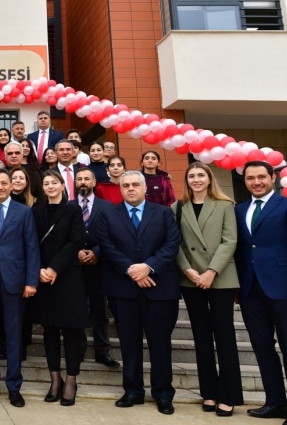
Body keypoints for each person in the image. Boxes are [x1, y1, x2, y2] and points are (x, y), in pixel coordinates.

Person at [96, 170, 181, 415]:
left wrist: (148, 267)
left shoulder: (164, 213)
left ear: (145, 188)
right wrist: (132, 270)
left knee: (160, 344)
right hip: (123, 289)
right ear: (120, 189)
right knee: (129, 342)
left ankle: (163, 393)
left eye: (135, 184)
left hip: (159, 288)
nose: (130, 189)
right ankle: (133, 390)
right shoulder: (108, 213)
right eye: (126, 185)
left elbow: (172, 244)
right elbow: (107, 245)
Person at [173, 162, 241, 416]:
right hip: (190, 279)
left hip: (220, 277)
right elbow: (175, 243)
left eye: (201, 175)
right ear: (187, 180)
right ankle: (209, 393)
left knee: (225, 336)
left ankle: (228, 395)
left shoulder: (224, 205)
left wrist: (211, 271)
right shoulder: (177, 207)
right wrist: (188, 270)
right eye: (192, 176)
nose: (196, 179)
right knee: (201, 337)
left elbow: (229, 240)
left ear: (209, 178)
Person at [0, 169, 41, 408]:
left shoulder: (24, 212)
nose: (0, 187)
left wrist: (31, 281)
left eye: (5, 183)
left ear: (12, 185)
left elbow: (32, 248)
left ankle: (14, 386)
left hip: (15, 280)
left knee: (14, 336)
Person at [234, 161, 287, 421]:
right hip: (250, 289)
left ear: (273, 177)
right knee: (262, 346)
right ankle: (275, 402)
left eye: (261, 177)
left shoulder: (286, 205)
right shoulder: (239, 209)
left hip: (283, 287)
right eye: (250, 178)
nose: (256, 182)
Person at [32, 169, 87, 406]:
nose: (50, 186)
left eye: (54, 182)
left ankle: (71, 380)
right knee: (50, 330)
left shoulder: (73, 209)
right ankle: (54, 379)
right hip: (43, 277)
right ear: (42, 187)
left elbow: (76, 240)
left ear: (63, 185)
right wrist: (41, 269)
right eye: (46, 183)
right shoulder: (36, 210)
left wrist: (54, 268)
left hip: (68, 276)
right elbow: (31, 241)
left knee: (72, 331)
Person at [73, 168, 119, 368]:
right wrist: (76, 252)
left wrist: (97, 252)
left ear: (94, 183)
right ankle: (79, 349)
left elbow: (113, 235)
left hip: (100, 265)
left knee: (100, 310)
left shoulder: (107, 207)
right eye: (79, 179)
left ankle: (102, 351)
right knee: (77, 308)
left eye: (86, 179)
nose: (83, 182)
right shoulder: (67, 206)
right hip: (75, 266)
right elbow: (65, 236)